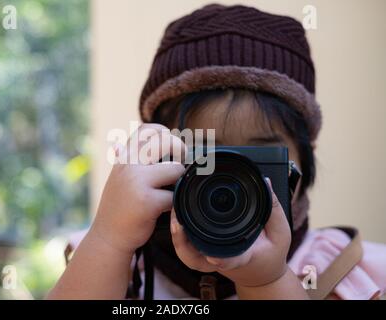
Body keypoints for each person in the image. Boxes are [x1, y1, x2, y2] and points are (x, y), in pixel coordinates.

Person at [48, 4, 386, 300]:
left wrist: (267, 280)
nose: (227, 184)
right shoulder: (114, 264)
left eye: (255, 160)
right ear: (155, 159)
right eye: (206, 158)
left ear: (302, 161)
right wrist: (108, 240)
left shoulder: (347, 271)